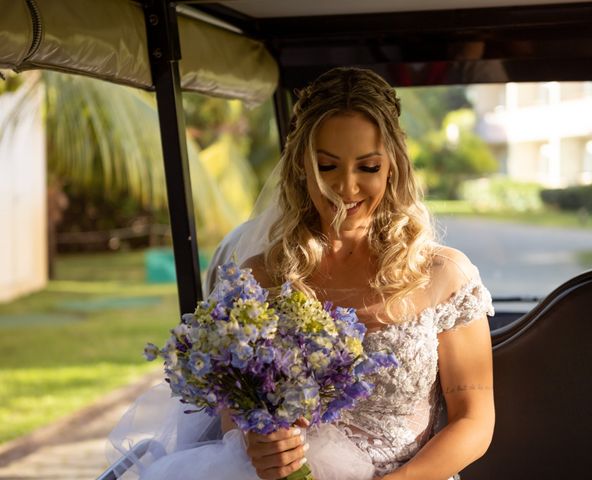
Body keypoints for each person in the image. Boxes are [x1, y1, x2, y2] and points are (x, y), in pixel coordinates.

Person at [107, 67, 494, 480]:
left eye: (367, 167)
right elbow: (234, 416)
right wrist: (257, 443)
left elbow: (473, 420)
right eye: (327, 166)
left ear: (392, 168)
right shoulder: (259, 279)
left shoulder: (443, 275)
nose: (346, 188)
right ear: (301, 169)